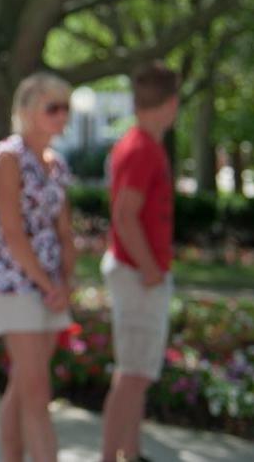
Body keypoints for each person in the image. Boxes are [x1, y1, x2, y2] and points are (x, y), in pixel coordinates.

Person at [0, 72, 77, 462]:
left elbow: (65, 232)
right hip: (15, 284)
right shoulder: (9, 156)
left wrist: (66, 282)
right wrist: (47, 284)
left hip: (50, 287)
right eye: (52, 107)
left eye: (65, 108)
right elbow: (11, 232)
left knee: (24, 386)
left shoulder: (55, 162)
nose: (62, 115)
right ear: (26, 111)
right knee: (38, 394)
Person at [100, 62, 180, 462]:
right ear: (172, 103)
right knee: (132, 375)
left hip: (138, 272)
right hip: (137, 274)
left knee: (136, 373)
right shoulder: (141, 148)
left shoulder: (143, 145)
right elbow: (124, 215)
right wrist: (150, 268)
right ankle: (111, 455)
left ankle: (129, 453)